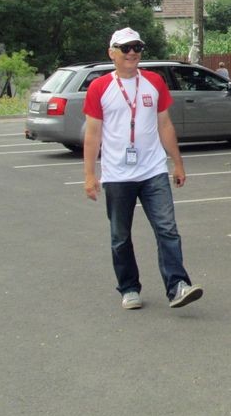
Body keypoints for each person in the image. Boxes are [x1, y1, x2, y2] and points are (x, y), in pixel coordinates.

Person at [83, 27, 204, 310]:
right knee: (120, 236)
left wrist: (178, 163)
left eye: (137, 47)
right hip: (117, 175)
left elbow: (165, 124)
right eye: (125, 48)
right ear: (111, 53)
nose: (132, 53)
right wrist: (89, 175)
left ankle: (177, 286)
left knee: (167, 229)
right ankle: (129, 288)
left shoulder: (154, 81)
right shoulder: (100, 87)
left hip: (153, 171)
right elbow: (92, 134)